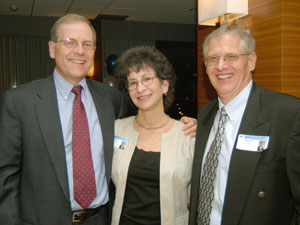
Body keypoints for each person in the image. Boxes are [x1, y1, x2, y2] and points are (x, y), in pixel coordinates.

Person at [0, 14, 197, 225]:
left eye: (87, 44)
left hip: (102, 218)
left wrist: (186, 127)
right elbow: (6, 174)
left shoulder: (110, 99)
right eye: (70, 42)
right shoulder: (20, 101)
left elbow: (140, 132)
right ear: (51, 48)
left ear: (94, 50)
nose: (79, 51)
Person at [189, 24, 300, 225]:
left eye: (231, 57)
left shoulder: (288, 114)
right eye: (213, 58)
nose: (221, 66)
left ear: (251, 61)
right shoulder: (206, 114)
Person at [111, 45, 195, 225]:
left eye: (147, 79)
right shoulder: (116, 130)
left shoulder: (188, 135)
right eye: (133, 82)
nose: (140, 88)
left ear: (165, 85)